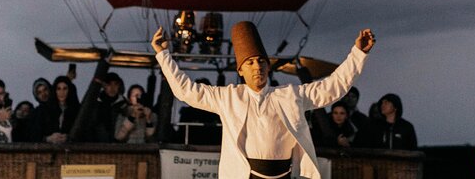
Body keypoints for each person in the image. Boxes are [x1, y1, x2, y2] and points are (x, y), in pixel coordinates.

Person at [152, 21, 375, 179]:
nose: (257, 67)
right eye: (250, 63)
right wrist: (163, 55)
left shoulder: (290, 95)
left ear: (268, 66)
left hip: (283, 175)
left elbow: (332, 88)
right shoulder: (228, 97)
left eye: (261, 61)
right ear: (241, 70)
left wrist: (358, 54)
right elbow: (185, 90)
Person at [32, 76, 80, 143]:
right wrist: (47, 139)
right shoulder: (40, 112)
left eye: (65, 89)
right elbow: (33, 134)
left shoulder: (76, 109)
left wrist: (69, 137)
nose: (62, 92)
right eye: (58, 89)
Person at [177, 78, 223, 145]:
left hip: (212, 144)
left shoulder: (217, 112)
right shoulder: (187, 113)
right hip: (192, 144)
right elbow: (181, 133)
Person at [92, 72, 129, 143]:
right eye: (109, 84)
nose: (112, 88)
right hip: (97, 146)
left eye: (115, 84)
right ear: (104, 86)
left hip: (120, 146)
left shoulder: (125, 105)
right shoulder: (95, 104)